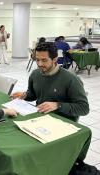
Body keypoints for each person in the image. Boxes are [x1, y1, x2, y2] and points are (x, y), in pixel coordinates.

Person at [11, 42, 99, 174]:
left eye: (44, 60)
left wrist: (57, 105)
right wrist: (24, 95)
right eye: (37, 60)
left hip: (62, 127)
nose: (40, 64)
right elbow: (33, 94)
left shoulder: (71, 79)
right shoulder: (35, 74)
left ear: (55, 59)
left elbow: (83, 108)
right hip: (39, 120)